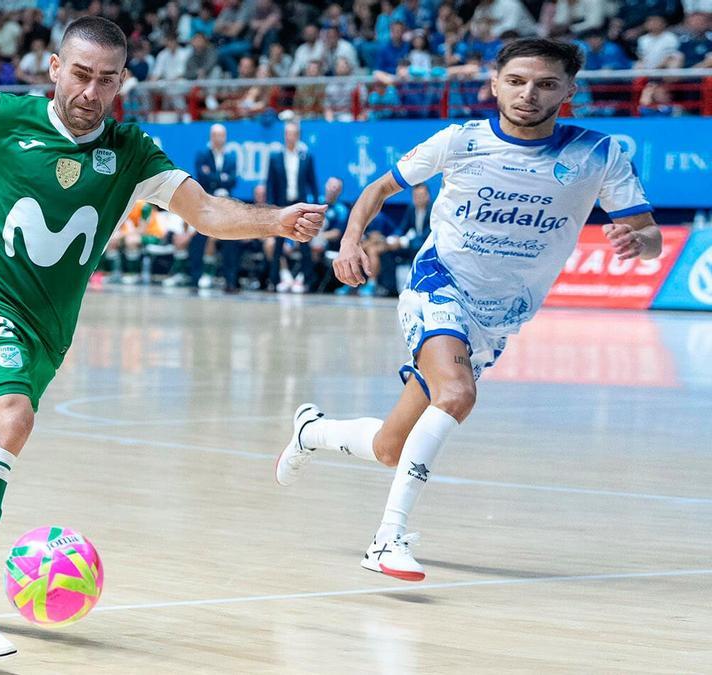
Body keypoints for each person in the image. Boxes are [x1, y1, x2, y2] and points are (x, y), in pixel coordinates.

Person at [0, 16, 323, 659]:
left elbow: (207, 210)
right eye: (80, 75)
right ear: (55, 69)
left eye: (106, 80)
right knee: (11, 419)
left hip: (47, 336)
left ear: (122, 83)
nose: (90, 91)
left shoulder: (132, 152)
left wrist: (277, 220)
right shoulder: (5, 118)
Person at [275, 38, 660, 582]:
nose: (530, 94)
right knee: (457, 394)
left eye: (547, 84)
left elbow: (650, 238)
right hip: (439, 286)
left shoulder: (598, 154)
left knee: (390, 448)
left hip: (500, 318)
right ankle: (387, 540)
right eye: (518, 81)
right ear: (495, 84)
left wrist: (635, 242)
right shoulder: (460, 140)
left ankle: (310, 432)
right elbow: (378, 189)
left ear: (570, 91)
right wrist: (349, 242)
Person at [265, 121, 319, 293]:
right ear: (284, 135)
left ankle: (306, 279)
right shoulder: (275, 156)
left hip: (300, 204)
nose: (291, 136)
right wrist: (270, 207)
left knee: (304, 243)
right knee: (278, 243)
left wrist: (315, 205)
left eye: (294, 133)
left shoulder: (306, 156)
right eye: (288, 133)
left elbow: (312, 182)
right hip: (281, 205)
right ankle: (275, 279)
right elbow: (270, 183)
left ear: (298, 135)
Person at [188, 124, 239, 291]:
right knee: (199, 240)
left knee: (230, 241)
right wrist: (221, 178)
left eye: (222, 135)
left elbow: (232, 180)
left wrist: (214, 177)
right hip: (206, 202)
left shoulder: (231, 157)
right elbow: (202, 176)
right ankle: (194, 279)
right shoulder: (202, 154)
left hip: (225, 204)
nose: (219, 138)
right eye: (216, 135)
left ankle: (230, 281)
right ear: (211, 136)